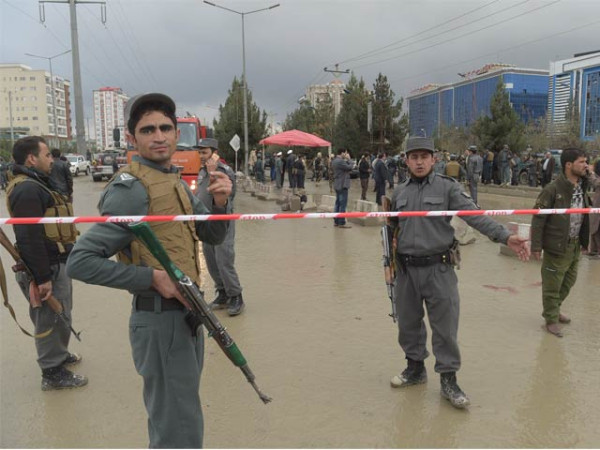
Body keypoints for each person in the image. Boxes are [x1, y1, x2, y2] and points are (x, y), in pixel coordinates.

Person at [66, 93, 232, 448]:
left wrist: (221, 203)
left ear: (176, 134)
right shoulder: (132, 189)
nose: (159, 136)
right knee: (179, 430)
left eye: (165, 128)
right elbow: (81, 261)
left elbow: (213, 235)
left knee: (180, 420)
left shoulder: (174, 182)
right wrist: (152, 278)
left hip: (187, 316)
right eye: (148, 130)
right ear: (131, 138)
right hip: (160, 321)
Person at [388, 137, 530, 409]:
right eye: (414, 157)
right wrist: (390, 266)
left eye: (424, 156)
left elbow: (475, 216)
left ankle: (449, 380)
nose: (419, 162)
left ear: (434, 159)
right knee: (408, 324)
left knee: (445, 328)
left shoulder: (448, 188)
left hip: (438, 269)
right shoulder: (400, 192)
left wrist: (504, 236)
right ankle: (415, 369)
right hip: (406, 270)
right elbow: (393, 230)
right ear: (406, 160)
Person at [6, 136, 87, 391]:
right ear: (32, 158)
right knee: (49, 318)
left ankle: (59, 355)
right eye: (47, 155)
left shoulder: (36, 184)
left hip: (54, 262)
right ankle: (52, 373)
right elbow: (28, 237)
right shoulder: (27, 189)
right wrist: (42, 278)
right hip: (45, 267)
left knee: (60, 313)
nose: (51, 159)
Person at [531, 148, 591, 338]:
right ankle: (550, 319)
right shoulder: (552, 189)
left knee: (569, 281)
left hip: (574, 245)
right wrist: (536, 246)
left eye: (586, 161)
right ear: (568, 165)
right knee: (552, 285)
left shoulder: (582, 186)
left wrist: (584, 242)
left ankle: (554, 309)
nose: (586, 165)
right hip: (556, 245)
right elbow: (538, 219)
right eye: (582, 162)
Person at [194, 138, 245, 316]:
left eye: (204, 152)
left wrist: (213, 172)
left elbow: (229, 195)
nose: (201, 156)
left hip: (222, 220)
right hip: (206, 221)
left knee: (224, 259)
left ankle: (236, 295)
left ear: (214, 153)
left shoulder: (224, 171)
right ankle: (222, 293)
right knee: (211, 259)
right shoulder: (202, 171)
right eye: (199, 152)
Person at [332, 148, 355, 228]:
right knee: (342, 204)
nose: (346, 154)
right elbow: (350, 167)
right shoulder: (340, 161)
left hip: (337, 184)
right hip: (342, 185)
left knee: (337, 203)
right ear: (342, 153)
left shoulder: (335, 160)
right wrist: (349, 159)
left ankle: (336, 220)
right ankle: (341, 222)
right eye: (345, 153)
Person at [588, 161, 600, 258]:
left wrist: (591, 173)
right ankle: (594, 250)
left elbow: (596, 182)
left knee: (596, 226)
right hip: (597, 205)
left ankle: (595, 250)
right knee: (594, 227)